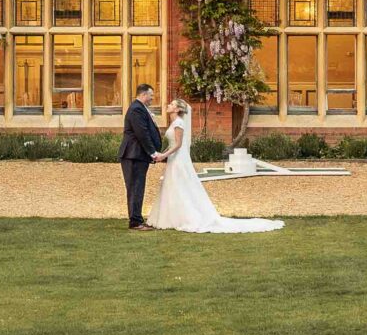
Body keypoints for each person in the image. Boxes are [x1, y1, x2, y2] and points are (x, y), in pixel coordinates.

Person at [145, 99, 283, 233]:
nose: (168, 105)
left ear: (178, 109)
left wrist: (163, 155)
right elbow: (172, 144)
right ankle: (171, 217)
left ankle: (186, 217)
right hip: (173, 158)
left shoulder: (179, 123)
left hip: (178, 160)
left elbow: (178, 144)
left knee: (180, 184)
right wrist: (161, 154)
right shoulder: (174, 122)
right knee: (172, 184)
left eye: (172, 104)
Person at [119, 82, 166, 229]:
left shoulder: (140, 108)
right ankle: (135, 222)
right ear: (143, 94)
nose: (152, 98)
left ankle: (137, 218)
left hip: (138, 155)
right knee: (135, 187)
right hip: (134, 155)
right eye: (151, 95)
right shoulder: (136, 109)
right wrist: (153, 152)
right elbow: (142, 133)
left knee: (138, 187)